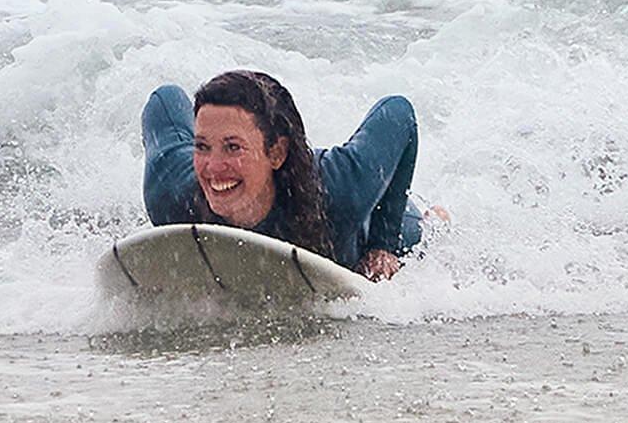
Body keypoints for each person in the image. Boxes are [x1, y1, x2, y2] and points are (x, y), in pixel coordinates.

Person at [141, 69, 423, 280]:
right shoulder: (171, 195)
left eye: (232, 147)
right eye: (203, 146)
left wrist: (382, 244)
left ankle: (434, 215)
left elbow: (398, 112)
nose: (213, 167)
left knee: (417, 230)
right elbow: (164, 99)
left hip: (371, 218)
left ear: (276, 153)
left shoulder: (340, 191)